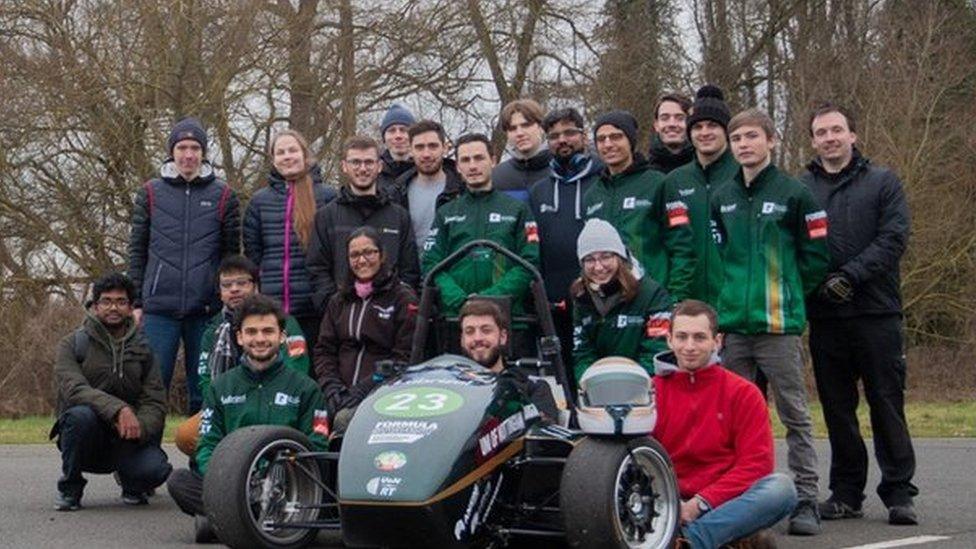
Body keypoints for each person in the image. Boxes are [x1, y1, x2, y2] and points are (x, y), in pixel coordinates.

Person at [710, 108, 830, 536]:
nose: (744, 144)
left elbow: (816, 258)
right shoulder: (721, 195)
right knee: (732, 418)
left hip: (779, 326)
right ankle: (740, 502)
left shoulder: (796, 194)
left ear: (771, 141)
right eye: (737, 138)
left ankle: (806, 499)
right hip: (735, 328)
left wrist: (790, 292)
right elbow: (721, 255)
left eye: (752, 137)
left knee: (795, 414)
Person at [801, 103, 918, 525]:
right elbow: (795, 246)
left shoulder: (883, 182)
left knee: (886, 402)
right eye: (821, 132)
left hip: (876, 313)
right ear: (813, 140)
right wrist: (818, 284)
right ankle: (846, 491)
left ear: (852, 135)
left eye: (837, 130)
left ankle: (899, 492)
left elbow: (894, 238)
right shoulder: (802, 189)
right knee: (836, 407)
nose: (830, 138)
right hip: (825, 318)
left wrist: (850, 276)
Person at [166, 294, 329, 526]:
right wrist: (229, 478)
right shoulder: (220, 387)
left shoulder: (306, 388)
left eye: (268, 331)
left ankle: (228, 524)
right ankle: (250, 521)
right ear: (240, 337)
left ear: (281, 336)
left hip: (289, 487)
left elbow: (317, 445)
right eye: (251, 332)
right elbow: (207, 444)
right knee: (179, 481)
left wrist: (279, 480)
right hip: (235, 486)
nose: (260, 339)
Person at [652, 300, 796, 548]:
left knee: (781, 489)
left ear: (716, 341)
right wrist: (675, 504)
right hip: (665, 500)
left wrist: (699, 504)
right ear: (669, 340)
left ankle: (688, 542)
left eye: (699, 338)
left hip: (722, 503)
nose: (689, 347)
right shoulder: (650, 392)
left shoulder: (744, 393)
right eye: (682, 337)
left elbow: (756, 465)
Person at [128, 116, 241, 414]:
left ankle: (202, 461)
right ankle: (147, 459)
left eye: (194, 147)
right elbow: (137, 251)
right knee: (152, 388)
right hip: (158, 310)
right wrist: (136, 301)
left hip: (206, 310)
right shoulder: (150, 192)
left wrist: (226, 300)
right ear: (172, 151)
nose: (188, 154)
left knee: (204, 391)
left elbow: (231, 257)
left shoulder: (224, 195)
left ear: (203, 152)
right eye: (182, 147)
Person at [52, 272, 171, 510]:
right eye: (106, 301)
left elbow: (155, 400)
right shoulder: (72, 344)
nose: (113, 307)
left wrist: (138, 428)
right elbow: (74, 390)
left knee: (157, 470)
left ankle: (132, 483)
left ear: (130, 308)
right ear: (95, 306)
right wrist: (118, 410)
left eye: (121, 301)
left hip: (127, 437)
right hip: (87, 436)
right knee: (79, 416)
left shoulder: (144, 348)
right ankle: (71, 488)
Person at [173, 255, 311, 457]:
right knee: (185, 435)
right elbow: (204, 380)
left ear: (256, 287)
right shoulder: (212, 331)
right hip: (228, 402)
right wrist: (227, 404)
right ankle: (220, 471)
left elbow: (297, 369)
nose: (234, 289)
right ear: (220, 293)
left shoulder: (283, 322)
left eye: (242, 282)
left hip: (277, 403)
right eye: (227, 285)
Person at [422, 133, 540, 317]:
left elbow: (530, 262)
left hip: (508, 317)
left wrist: (490, 299)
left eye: (479, 158)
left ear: (493, 161)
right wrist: (460, 300)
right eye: (466, 160)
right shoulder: (445, 212)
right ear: (458, 167)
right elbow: (431, 264)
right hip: (456, 317)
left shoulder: (518, 209)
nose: (473, 166)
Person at [583, 110, 696, 300]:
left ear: (631, 141)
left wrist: (676, 298)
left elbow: (683, 247)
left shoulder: (659, 183)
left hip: (652, 297)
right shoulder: (592, 195)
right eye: (601, 139)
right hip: (609, 303)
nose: (608, 144)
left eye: (616, 137)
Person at [315, 227, 418, 429]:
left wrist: (364, 388)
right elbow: (324, 350)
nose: (362, 260)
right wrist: (331, 386)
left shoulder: (402, 298)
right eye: (354, 255)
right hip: (339, 390)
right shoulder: (339, 300)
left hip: (382, 391)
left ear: (382, 255)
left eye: (369, 252)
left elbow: (405, 358)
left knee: (344, 421)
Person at [243, 129, 336, 349]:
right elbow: (253, 253)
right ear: (273, 160)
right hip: (273, 309)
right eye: (280, 152)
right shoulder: (259, 201)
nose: (287, 156)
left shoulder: (327, 196)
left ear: (304, 155)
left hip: (315, 307)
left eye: (292, 150)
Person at [528, 107, 603, 374]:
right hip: (553, 302)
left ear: (583, 136)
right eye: (554, 135)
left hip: (599, 297)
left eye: (570, 132)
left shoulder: (603, 180)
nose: (562, 140)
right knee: (560, 376)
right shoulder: (538, 190)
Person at [306, 135, 420, 313]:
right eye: (355, 162)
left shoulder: (399, 216)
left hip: (388, 320)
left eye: (369, 162)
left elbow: (409, 271)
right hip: (341, 319)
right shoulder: (326, 216)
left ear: (379, 166)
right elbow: (317, 268)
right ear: (344, 166)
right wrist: (333, 308)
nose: (363, 168)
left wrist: (396, 308)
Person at [662, 85, 738, 305]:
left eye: (713, 125)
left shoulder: (744, 174)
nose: (704, 133)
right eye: (697, 127)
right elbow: (674, 244)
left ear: (726, 131)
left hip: (736, 303)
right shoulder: (675, 181)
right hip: (688, 303)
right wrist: (676, 296)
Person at [571, 218, 672, 382]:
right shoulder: (582, 297)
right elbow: (582, 353)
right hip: (598, 387)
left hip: (643, 387)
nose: (598, 267)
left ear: (620, 257)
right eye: (589, 259)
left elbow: (657, 349)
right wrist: (589, 380)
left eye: (605, 256)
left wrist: (628, 382)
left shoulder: (652, 293)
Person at [459, 299, 558, 421]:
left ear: (503, 337)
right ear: (462, 340)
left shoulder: (533, 388)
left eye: (486, 330)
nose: (477, 338)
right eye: (470, 332)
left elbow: (543, 435)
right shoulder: (448, 389)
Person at [391, 120, 465, 251]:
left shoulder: (463, 189)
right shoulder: (396, 193)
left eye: (433, 146)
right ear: (410, 150)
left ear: (445, 148)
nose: (426, 154)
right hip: (411, 270)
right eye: (419, 147)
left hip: (452, 268)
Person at [491, 99, 553, 203]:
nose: (519, 133)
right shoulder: (496, 177)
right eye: (512, 128)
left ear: (541, 128)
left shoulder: (563, 170)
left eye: (526, 125)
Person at [646, 93, 694, 174]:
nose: (672, 124)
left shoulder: (706, 170)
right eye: (665, 118)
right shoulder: (644, 175)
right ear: (656, 125)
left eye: (680, 118)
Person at [376, 103, 417, 193]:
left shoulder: (424, 170)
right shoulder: (373, 174)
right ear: (384, 138)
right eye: (392, 131)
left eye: (403, 130)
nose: (398, 136)